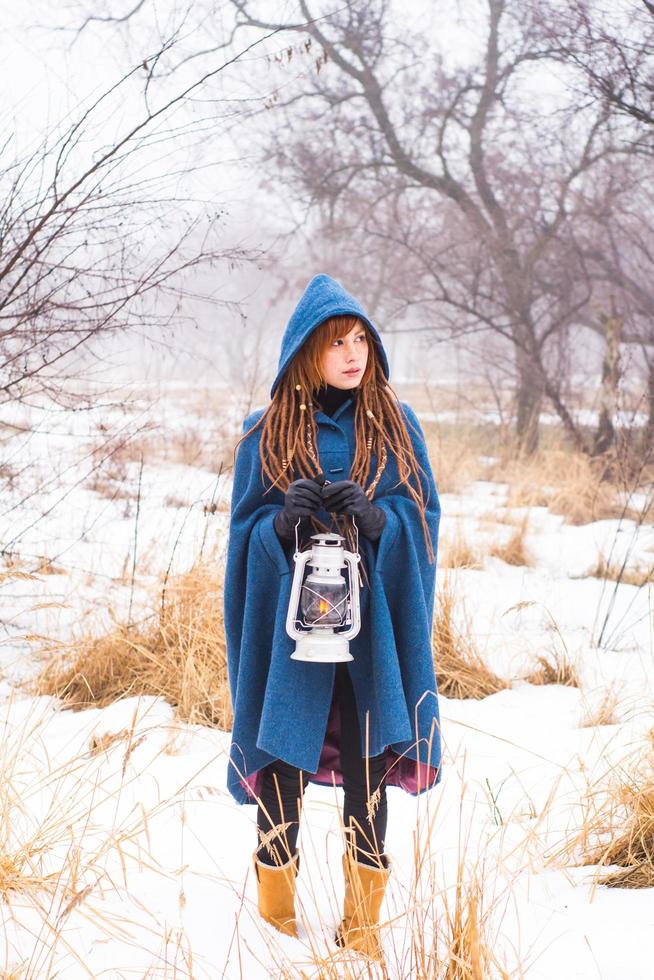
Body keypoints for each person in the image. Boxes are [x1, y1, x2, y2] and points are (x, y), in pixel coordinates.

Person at [224, 273, 442, 959]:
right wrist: (277, 530)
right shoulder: (266, 431)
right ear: (304, 354)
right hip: (295, 635)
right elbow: (243, 533)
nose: (353, 354)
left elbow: (424, 516)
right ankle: (276, 928)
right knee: (282, 765)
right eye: (335, 343)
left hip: (368, 634)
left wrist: (382, 521)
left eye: (360, 341)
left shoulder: (396, 424)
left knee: (367, 767)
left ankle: (363, 933)